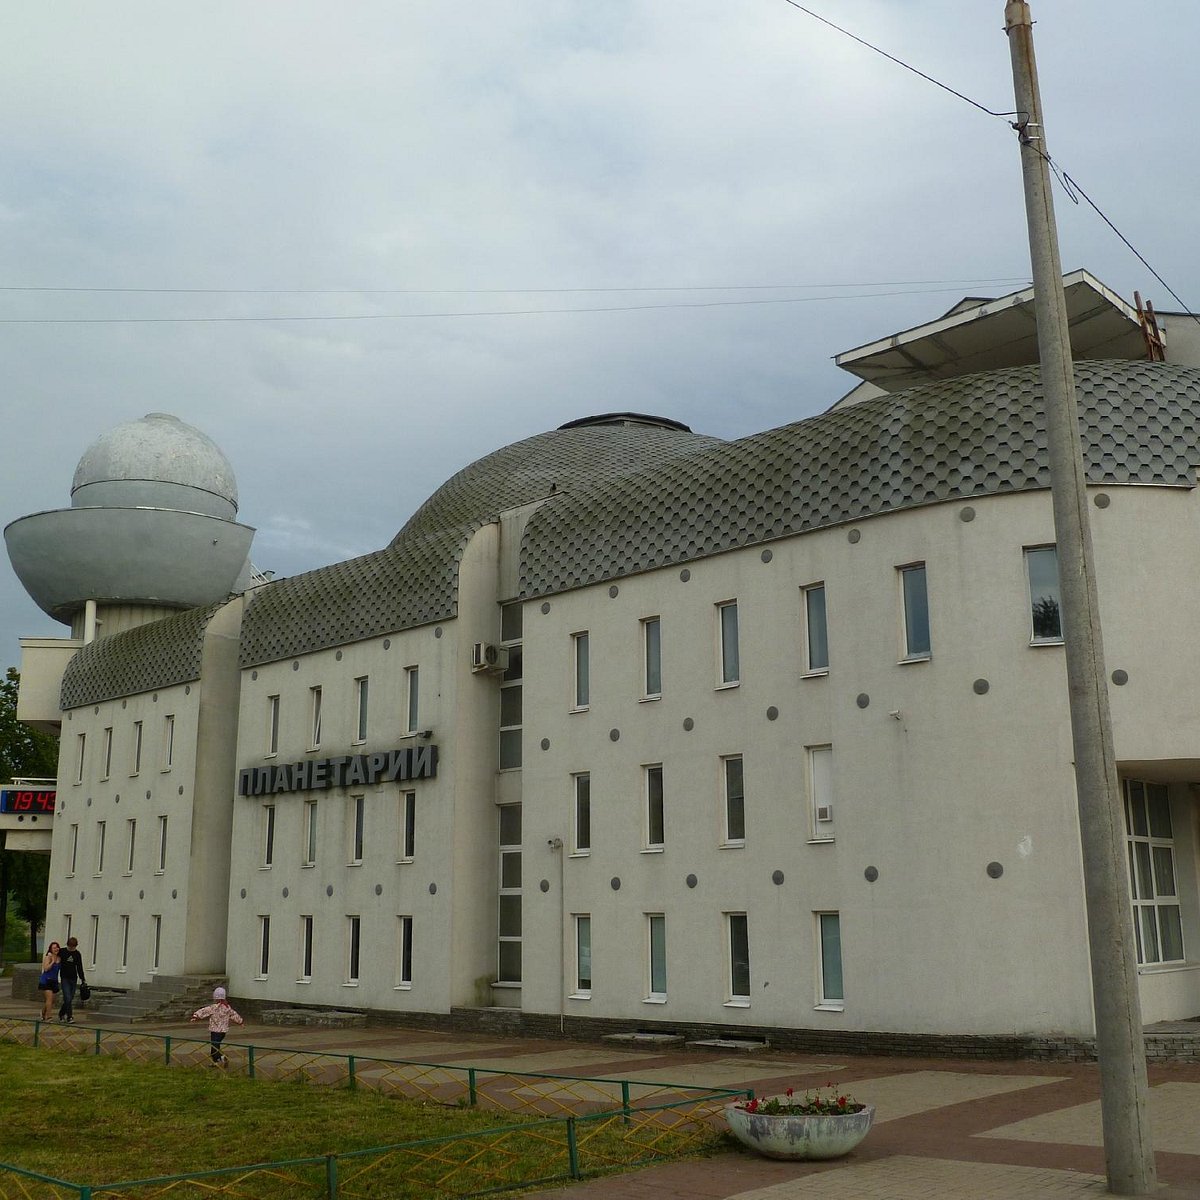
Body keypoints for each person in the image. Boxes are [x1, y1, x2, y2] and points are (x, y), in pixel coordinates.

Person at [190, 986, 243, 1066]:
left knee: (214, 1048)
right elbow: (234, 1015)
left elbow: (204, 1011)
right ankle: (216, 1062)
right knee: (215, 1047)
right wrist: (240, 1022)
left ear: (215, 998)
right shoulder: (227, 1008)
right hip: (223, 1032)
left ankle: (222, 1058)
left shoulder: (214, 1008)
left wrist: (195, 1016)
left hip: (215, 1031)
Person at [57, 936, 87, 1023]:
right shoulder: (62, 951)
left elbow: (79, 967)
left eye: (73, 947)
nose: (71, 948)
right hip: (64, 977)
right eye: (70, 946)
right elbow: (56, 960)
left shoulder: (77, 954)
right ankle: (69, 1017)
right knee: (67, 996)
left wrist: (83, 979)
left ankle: (61, 1013)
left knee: (70, 998)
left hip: (73, 978)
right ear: (68, 945)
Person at [38, 942, 61, 1021]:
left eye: (57, 947)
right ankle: (48, 1017)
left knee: (51, 1000)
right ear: (51, 949)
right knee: (49, 999)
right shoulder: (48, 957)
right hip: (46, 980)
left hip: (54, 981)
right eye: (54, 948)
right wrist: (52, 962)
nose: (56, 949)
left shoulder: (59, 958)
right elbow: (46, 968)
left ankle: (43, 1012)